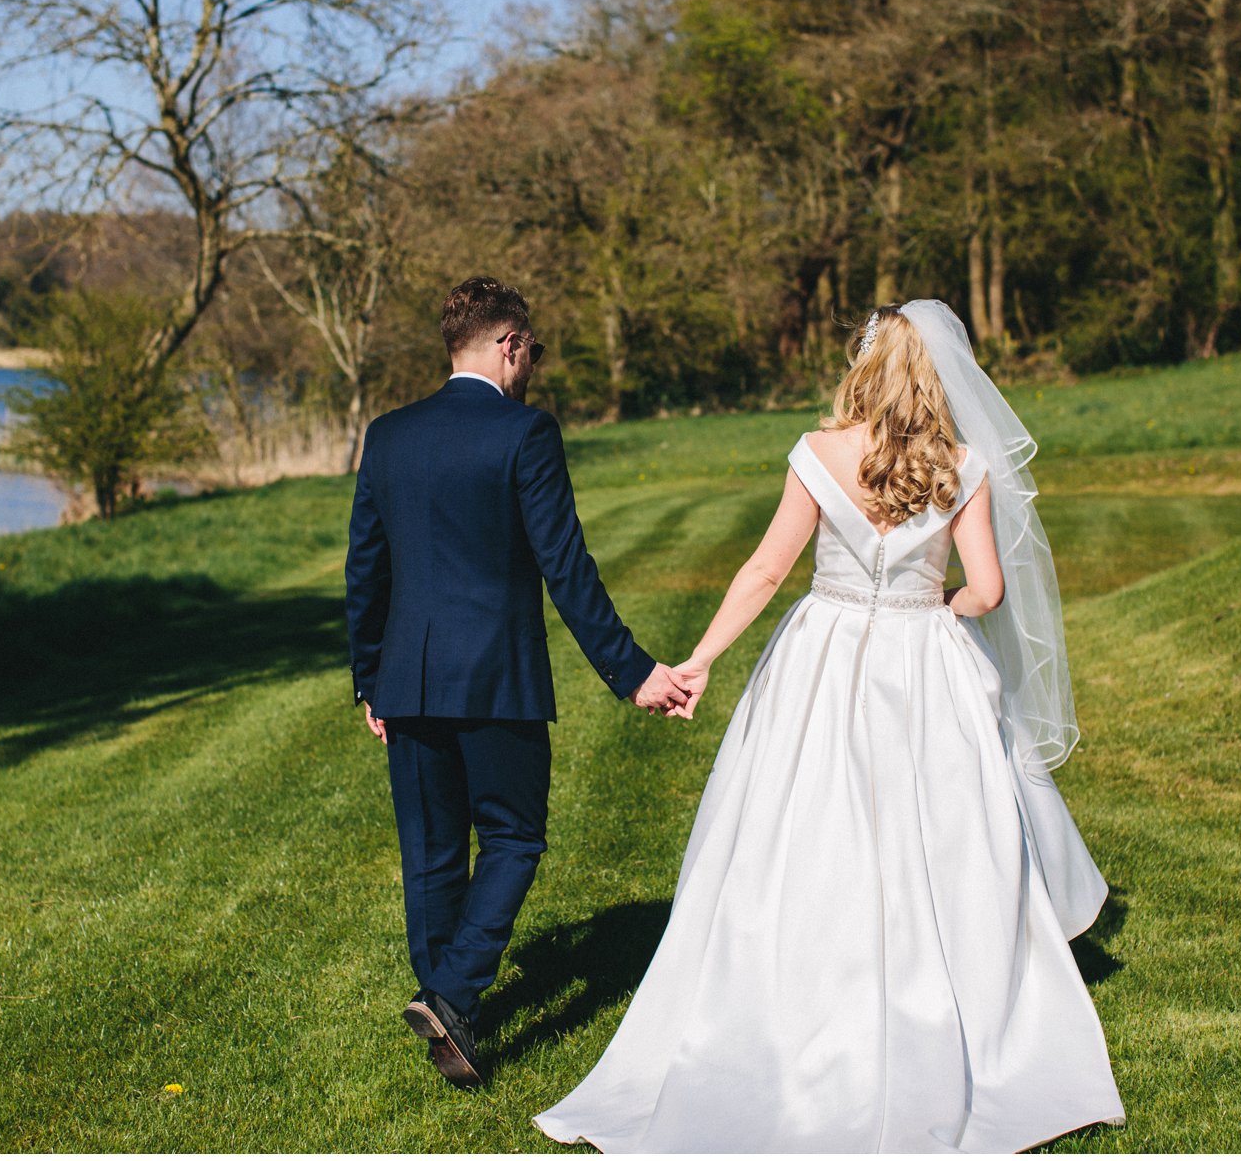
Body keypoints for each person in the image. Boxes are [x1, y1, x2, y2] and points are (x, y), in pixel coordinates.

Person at [533, 298, 1127, 1152]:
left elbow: (768, 567)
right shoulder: (964, 465)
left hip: (823, 654)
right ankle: (960, 1008)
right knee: (946, 840)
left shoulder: (818, 455)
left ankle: (794, 1004)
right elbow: (990, 592)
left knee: (800, 831)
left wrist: (699, 659)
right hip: (926, 661)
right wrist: (941, 609)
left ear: (867, 365)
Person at [345, 276, 694, 1091]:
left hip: (408, 679)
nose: (533, 363)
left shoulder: (388, 435)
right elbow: (565, 567)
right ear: (508, 345)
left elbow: (368, 569)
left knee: (432, 855)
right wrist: (632, 670)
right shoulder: (525, 432)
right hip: (496, 677)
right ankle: (455, 996)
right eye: (533, 349)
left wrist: (371, 680)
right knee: (513, 837)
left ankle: (449, 1018)